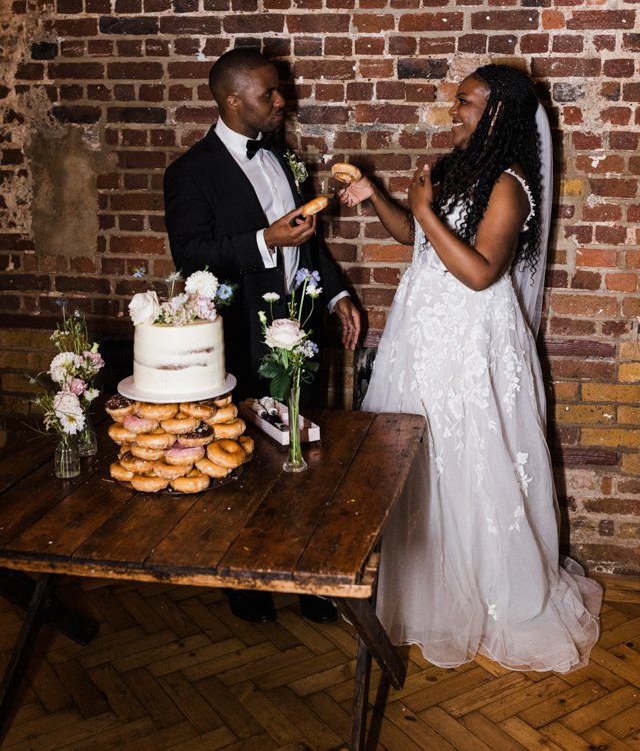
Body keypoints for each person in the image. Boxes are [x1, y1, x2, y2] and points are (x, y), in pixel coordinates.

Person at [339, 64, 602, 672]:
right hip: (423, 333)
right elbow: (416, 236)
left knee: (471, 456)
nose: (453, 112)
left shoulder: (509, 183)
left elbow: (482, 271)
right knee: (418, 459)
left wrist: (425, 212)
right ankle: (425, 592)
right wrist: (378, 196)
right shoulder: (459, 168)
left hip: (469, 339)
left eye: (466, 104)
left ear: (499, 114)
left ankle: (489, 595)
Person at [164, 46, 361, 625]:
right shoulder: (190, 173)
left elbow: (309, 241)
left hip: (303, 324)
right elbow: (191, 255)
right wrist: (263, 241)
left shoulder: (281, 155)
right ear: (231, 100)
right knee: (249, 457)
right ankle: (245, 576)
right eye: (269, 93)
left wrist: (337, 293)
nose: (282, 101)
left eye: (279, 90)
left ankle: (309, 579)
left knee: (307, 450)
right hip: (243, 335)